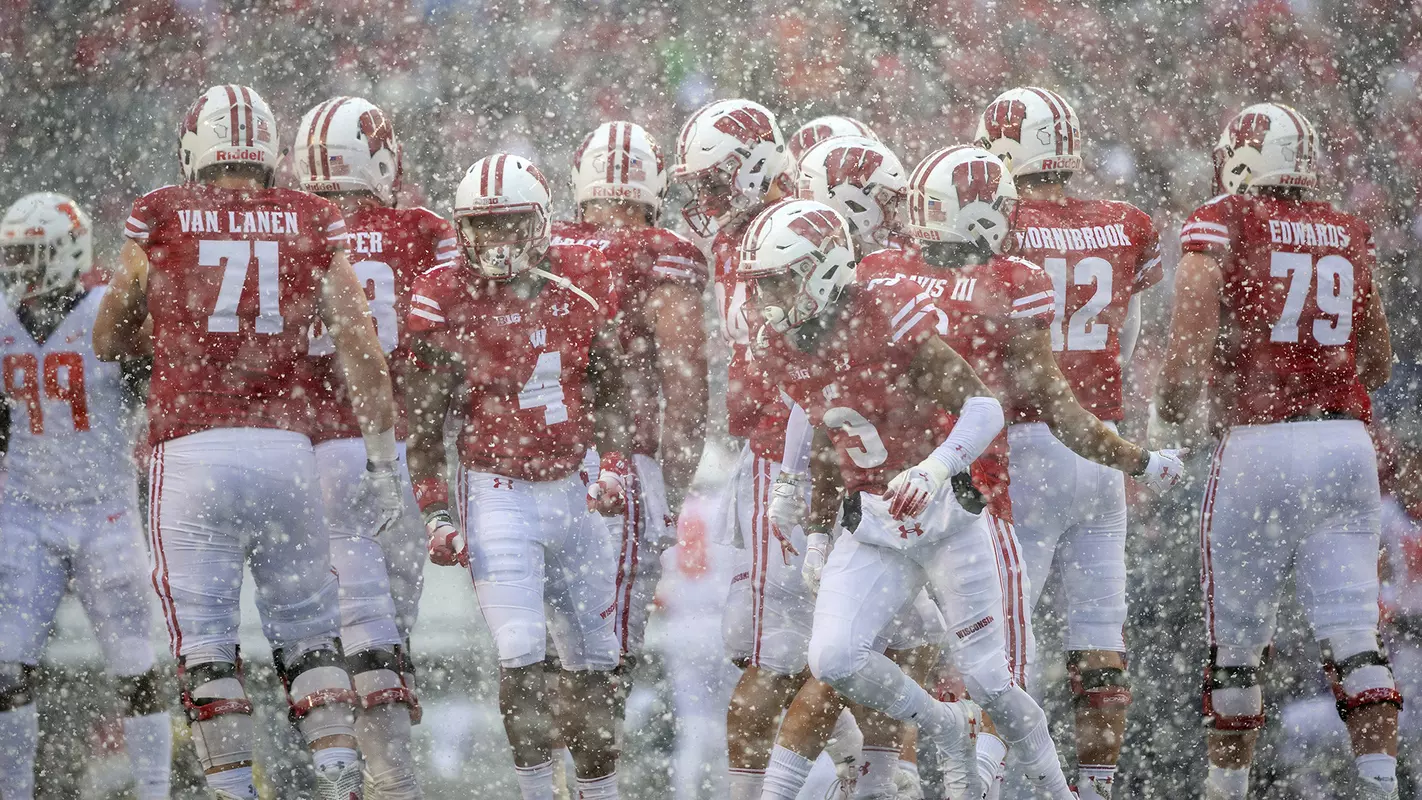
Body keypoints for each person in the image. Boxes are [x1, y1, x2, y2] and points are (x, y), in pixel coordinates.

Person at [95, 84, 402, 800]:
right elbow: (359, 346)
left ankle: (233, 791)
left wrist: (179, 339)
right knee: (310, 641)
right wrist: (384, 459)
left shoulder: (163, 215)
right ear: (270, 151)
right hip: (287, 454)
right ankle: (339, 784)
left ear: (192, 149)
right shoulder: (309, 218)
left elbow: (108, 335)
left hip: (192, 448)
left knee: (206, 652)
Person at [736, 191, 1073, 800]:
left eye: (781, 282)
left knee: (990, 679)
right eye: (762, 284)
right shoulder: (778, 341)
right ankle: (941, 726)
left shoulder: (885, 308)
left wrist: (935, 467)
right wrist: (815, 531)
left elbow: (984, 407)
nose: (768, 300)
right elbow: (823, 425)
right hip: (873, 524)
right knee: (834, 658)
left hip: (947, 519)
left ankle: (1057, 789)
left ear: (826, 267)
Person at [1154, 102, 1400, 800]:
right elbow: (1377, 361)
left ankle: (1225, 791)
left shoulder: (1224, 220)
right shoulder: (1348, 230)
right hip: (1345, 442)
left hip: (1258, 443)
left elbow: (1191, 333)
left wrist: (1175, 404)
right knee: (1356, 639)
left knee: (1236, 649)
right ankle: (1382, 786)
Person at [404, 153, 626, 800]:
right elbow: (425, 422)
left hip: (576, 486)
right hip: (496, 489)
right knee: (522, 652)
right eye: (483, 226)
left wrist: (612, 465)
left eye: (509, 225)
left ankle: (599, 793)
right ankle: (535, 791)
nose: (495, 242)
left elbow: (610, 388)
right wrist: (436, 511)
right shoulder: (444, 294)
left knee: (596, 663)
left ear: (541, 223)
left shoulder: (582, 280)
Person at [974, 86, 1169, 800]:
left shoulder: (997, 221)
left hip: (1027, 440)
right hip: (1102, 443)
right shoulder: (1125, 223)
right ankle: (1095, 787)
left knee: (995, 640)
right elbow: (1130, 334)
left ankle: (983, 782)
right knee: (1099, 647)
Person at [296, 95, 457, 800]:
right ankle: (390, 782)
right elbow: (452, 335)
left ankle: (357, 780)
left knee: (334, 632)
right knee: (385, 633)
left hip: (310, 445)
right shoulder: (422, 230)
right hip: (396, 440)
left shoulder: (290, 224)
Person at [0, 193, 171, 800]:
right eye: (12, 255)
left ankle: (156, 790)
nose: (20, 268)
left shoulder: (106, 312)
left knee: (134, 665)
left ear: (67, 251)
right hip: (23, 508)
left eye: (30, 254)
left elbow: (153, 392)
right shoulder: (1, 317)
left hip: (106, 509)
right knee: (8, 665)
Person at [550, 119, 709, 671]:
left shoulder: (544, 244)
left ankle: (546, 763)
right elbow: (685, 383)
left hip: (532, 462)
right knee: (611, 656)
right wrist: (675, 485)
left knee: (544, 651)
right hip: (619, 466)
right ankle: (601, 760)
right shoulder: (663, 253)